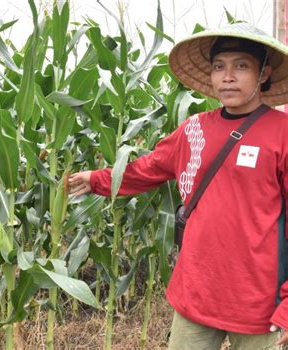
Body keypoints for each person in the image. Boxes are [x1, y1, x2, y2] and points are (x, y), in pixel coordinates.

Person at [69, 23, 288, 349]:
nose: (227, 76)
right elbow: (147, 168)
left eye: (241, 66)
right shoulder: (194, 130)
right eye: (219, 67)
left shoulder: (281, 133)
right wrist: (98, 180)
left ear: (264, 73)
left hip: (258, 302)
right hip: (196, 292)